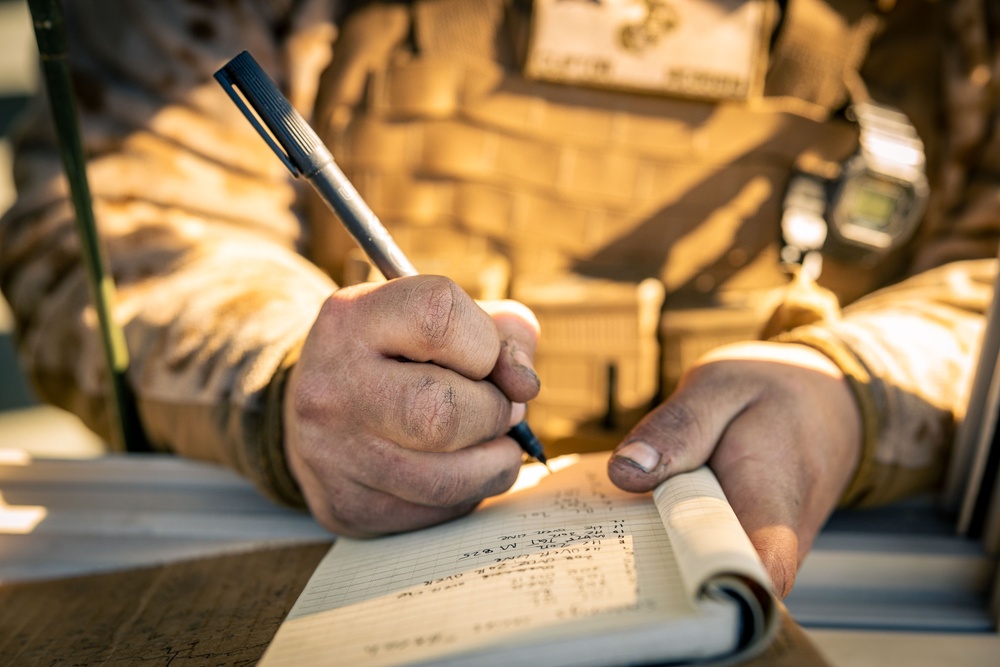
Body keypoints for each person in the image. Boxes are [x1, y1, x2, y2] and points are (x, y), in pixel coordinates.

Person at [1, 0, 997, 600]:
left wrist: (850, 391)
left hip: (880, 569)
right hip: (309, 549)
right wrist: (285, 374)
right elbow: (129, 214)